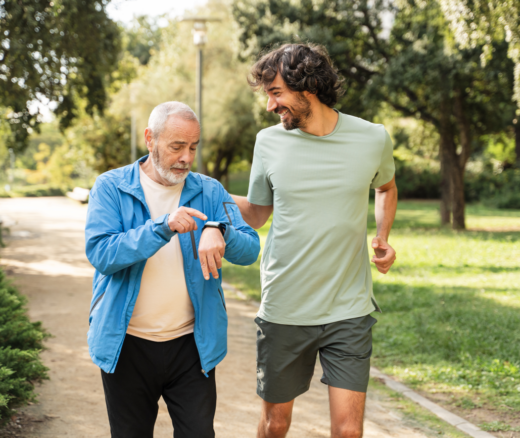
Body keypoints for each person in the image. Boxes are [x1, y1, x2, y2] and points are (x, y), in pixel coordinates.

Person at [231, 44, 398, 438]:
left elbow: (386, 187)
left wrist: (383, 237)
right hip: (285, 306)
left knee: (348, 431)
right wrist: (205, 192)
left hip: (349, 308)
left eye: (275, 93)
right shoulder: (268, 142)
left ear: (307, 88)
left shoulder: (372, 138)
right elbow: (256, 214)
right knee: (276, 424)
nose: (271, 106)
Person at [85, 101, 260, 438]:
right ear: (150, 139)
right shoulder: (110, 187)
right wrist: (161, 227)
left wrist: (219, 228)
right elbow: (102, 253)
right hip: (127, 345)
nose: (187, 158)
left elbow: (250, 247)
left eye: (193, 147)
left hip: (191, 346)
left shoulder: (210, 191)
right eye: (177, 146)